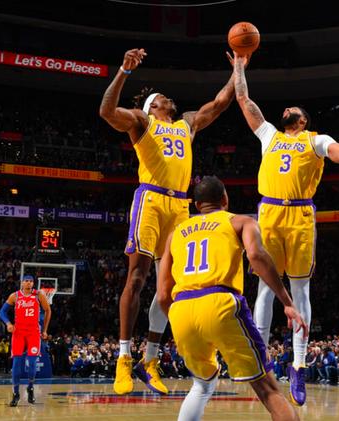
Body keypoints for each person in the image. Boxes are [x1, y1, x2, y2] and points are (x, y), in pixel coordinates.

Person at [231, 51, 339, 405]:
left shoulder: (316, 140)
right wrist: (239, 66)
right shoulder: (269, 135)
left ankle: (298, 364)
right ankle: (261, 356)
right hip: (269, 214)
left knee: (300, 291)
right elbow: (243, 98)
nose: (286, 109)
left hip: (301, 217)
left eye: (293, 108)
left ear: (303, 119)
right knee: (265, 289)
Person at [99, 48, 239, 395]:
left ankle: (150, 359)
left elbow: (220, 103)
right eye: (161, 97)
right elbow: (106, 111)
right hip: (150, 199)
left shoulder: (186, 124)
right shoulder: (142, 122)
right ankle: (123, 357)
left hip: (179, 206)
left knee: (171, 288)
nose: (168, 98)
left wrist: (239, 68)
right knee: (137, 277)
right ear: (152, 106)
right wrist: (124, 71)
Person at [157, 176, 307, 421]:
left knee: (202, 384)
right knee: (268, 390)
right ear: (225, 199)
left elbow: (163, 294)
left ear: (197, 205)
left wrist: (179, 319)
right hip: (219, 302)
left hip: (181, 309)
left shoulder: (175, 235)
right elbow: (256, 256)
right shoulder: (240, 221)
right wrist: (287, 302)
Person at [0, 275, 51, 407]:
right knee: (16, 363)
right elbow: (2, 312)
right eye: (26, 281)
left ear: (33, 283)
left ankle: (30, 387)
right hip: (18, 333)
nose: (29, 283)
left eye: (31, 281)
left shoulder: (39, 295)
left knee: (32, 363)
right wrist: (8, 323)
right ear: (22, 283)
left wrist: (45, 330)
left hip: (33, 333)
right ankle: (15, 393)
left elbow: (48, 310)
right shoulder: (15, 296)